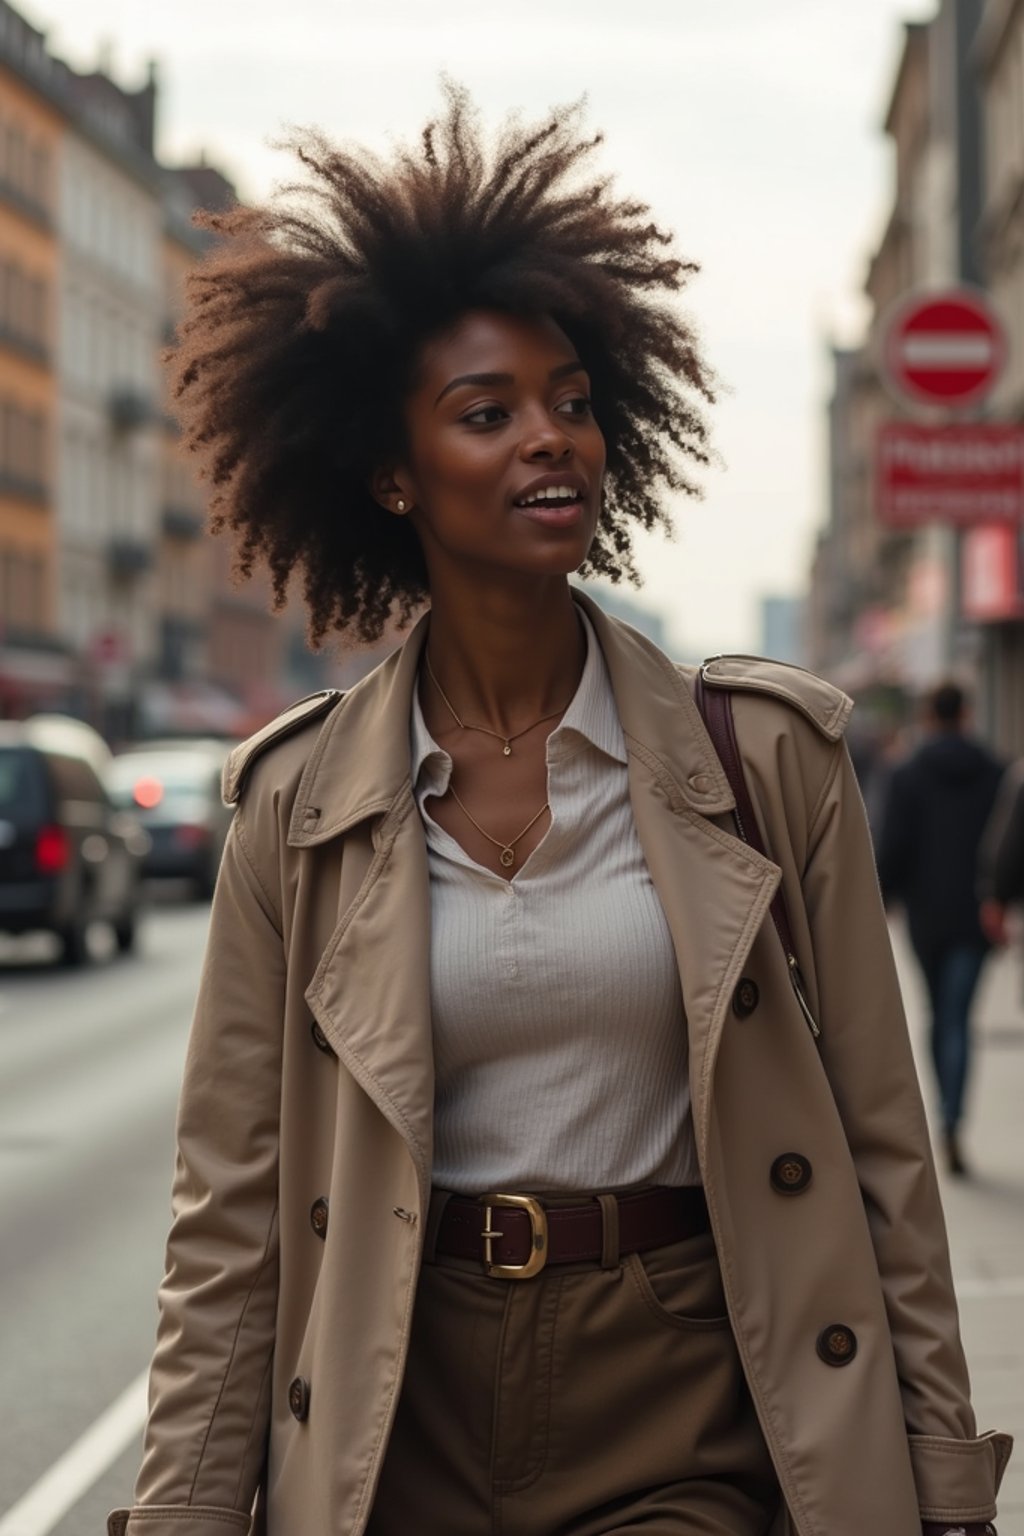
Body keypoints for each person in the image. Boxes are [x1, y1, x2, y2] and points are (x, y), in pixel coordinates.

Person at [109, 89, 1010, 1536]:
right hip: (394, 1401)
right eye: (490, 413)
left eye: (574, 402)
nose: (554, 440)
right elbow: (230, 1226)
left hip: (684, 1395)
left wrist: (944, 1484)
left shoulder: (766, 761)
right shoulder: (295, 808)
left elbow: (884, 1159)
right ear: (390, 475)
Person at [877, 682, 1004, 1178]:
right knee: (960, 1018)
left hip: (926, 915)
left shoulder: (906, 773)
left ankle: (944, 1117)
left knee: (937, 1014)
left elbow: (891, 843)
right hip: (976, 915)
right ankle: (954, 1120)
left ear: (929, 716)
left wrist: (884, 899)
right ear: (967, 714)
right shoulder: (994, 771)